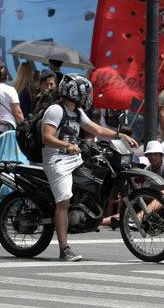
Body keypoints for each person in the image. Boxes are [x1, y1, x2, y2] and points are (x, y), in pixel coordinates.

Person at [41, 73, 137, 262]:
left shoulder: (77, 112)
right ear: (74, 93)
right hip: (56, 160)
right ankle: (64, 248)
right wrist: (66, 145)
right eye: (86, 93)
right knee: (63, 202)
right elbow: (46, 137)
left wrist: (119, 136)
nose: (88, 97)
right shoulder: (55, 110)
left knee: (99, 173)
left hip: (74, 157)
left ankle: (86, 212)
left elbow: (98, 130)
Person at [0, 63, 24, 131]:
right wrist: (24, 127)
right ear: (7, 77)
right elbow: (17, 112)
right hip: (9, 126)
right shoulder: (10, 90)